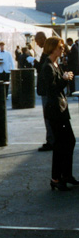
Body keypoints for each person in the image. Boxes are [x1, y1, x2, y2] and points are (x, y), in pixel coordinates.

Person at [40, 36, 78, 191]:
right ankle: (56, 178)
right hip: (55, 110)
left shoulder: (56, 64)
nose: (62, 50)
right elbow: (51, 89)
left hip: (60, 108)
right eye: (60, 47)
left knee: (68, 141)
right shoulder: (48, 66)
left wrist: (65, 77)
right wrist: (64, 79)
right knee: (62, 143)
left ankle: (65, 175)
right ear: (52, 48)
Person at [34, 32, 54, 151]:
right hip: (49, 89)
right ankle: (51, 139)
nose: (37, 44)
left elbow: (43, 69)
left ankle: (50, 141)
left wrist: (35, 63)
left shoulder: (46, 52)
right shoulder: (49, 50)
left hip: (46, 89)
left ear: (42, 39)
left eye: (37, 41)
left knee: (48, 116)